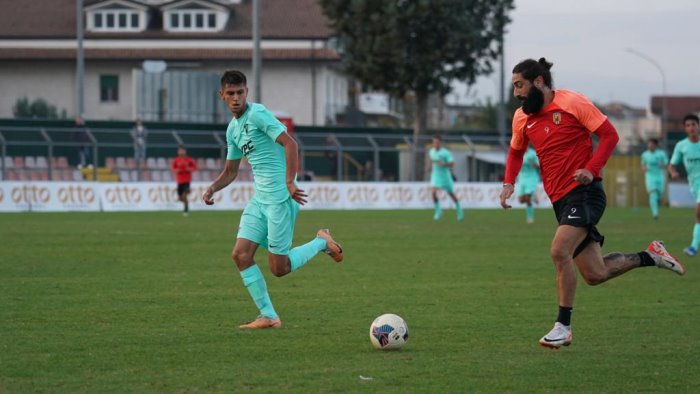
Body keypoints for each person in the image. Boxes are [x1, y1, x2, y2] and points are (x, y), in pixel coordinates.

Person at [499, 58, 685, 349]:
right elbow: (515, 152)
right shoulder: (522, 117)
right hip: (560, 201)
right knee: (595, 274)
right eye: (513, 87)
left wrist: (591, 168)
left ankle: (563, 326)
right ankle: (651, 256)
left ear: (538, 82)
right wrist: (509, 182)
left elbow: (609, 135)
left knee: (559, 250)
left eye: (519, 85)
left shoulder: (572, 102)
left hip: (585, 193)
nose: (516, 93)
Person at [202, 70, 343, 329]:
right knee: (240, 255)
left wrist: (290, 181)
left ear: (247, 92)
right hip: (259, 200)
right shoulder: (233, 129)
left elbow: (290, 144)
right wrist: (213, 187)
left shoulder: (257, 114)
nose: (236, 98)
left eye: (240, 92)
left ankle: (321, 242)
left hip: (279, 199)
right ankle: (268, 316)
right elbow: (231, 171)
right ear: (221, 96)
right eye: (230, 93)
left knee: (279, 268)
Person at [668, 114, 700, 256]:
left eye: (693, 124)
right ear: (685, 128)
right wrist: (673, 172)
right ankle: (693, 246)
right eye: (688, 125)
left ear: (698, 126)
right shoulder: (681, 146)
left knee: (699, 212)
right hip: (694, 185)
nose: (691, 128)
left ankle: (693, 247)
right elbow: (672, 165)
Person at [428, 136, 463, 221]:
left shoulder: (445, 153)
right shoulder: (431, 151)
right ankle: (438, 211)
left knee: (451, 194)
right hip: (435, 176)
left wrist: (444, 164)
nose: (435, 144)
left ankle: (459, 210)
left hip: (445, 177)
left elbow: (452, 164)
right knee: (433, 192)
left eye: (437, 142)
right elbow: (431, 160)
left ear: (440, 143)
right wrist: (429, 167)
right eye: (434, 142)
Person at [640, 138, 669, 220]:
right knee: (653, 193)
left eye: (651, 144)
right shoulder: (645, 155)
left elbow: (667, 165)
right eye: (648, 144)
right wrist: (644, 168)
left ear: (655, 145)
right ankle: (655, 214)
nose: (650, 146)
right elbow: (643, 165)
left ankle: (657, 203)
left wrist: (662, 165)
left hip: (659, 176)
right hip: (650, 176)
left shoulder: (661, 154)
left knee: (659, 194)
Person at [516, 145, 540, 223]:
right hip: (522, 178)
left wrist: (534, 164)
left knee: (527, 198)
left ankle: (530, 218)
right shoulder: (518, 153)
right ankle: (533, 197)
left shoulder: (532, 153)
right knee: (521, 200)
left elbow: (539, 165)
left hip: (532, 177)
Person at [171, 145, 197, 216]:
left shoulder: (189, 159)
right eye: (180, 150)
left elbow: (194, 167)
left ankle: (186, 209)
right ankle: (186, 203)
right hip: (179, 181)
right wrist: (177, 170)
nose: (181, 152)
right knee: (180, 198)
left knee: (185, 194)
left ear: (185, 151)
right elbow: (173, 168)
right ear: (178, 152)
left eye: (182, 150)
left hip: (187, 180)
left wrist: (189, 169)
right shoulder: (176, 160)